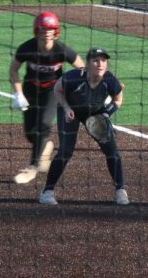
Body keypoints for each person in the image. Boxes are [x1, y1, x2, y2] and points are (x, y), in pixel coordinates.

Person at [38, 47, 128, 206]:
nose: (100, 64)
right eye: (96, 60)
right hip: (70, 111)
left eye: (103, 61)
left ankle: (121, 190)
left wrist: (106, 114)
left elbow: (118, 99)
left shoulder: (109, 80)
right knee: (66, 151)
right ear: (87, 64)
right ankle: (47, 191)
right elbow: (57, 89)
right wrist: (66, 108)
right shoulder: (73, 77)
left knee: (112, 151)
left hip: (95, 112)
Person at [9, 11, 85, 184]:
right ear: (37, 30)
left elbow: (81, 68)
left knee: (43, 125)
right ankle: (45, 147)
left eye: (50, 29)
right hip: (30, 91)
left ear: (56, 31)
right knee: (30, 134)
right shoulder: (27, 48)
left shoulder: (62, 50)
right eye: (43, 29)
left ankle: (32, 168)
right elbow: (13, 70)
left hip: (53, 92)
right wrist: (17, 93)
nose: (47, 33)